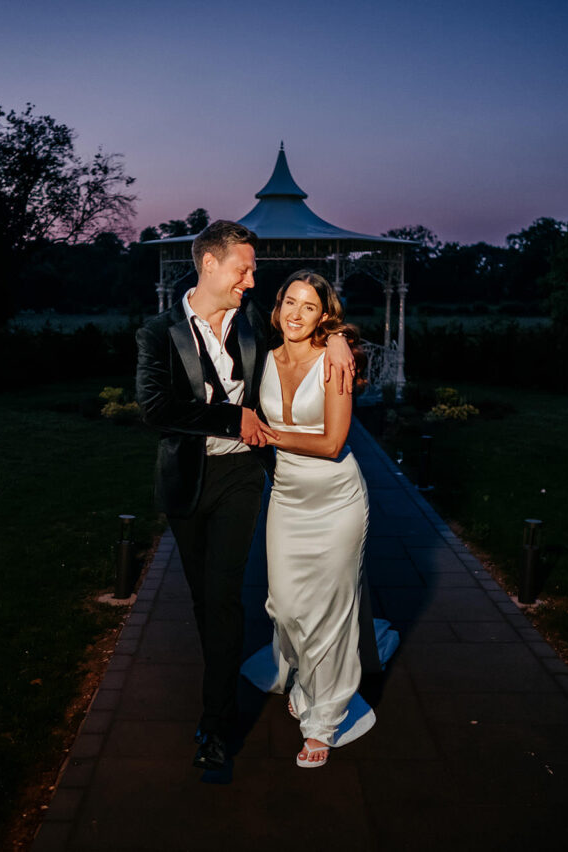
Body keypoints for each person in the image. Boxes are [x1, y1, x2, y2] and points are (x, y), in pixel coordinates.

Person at [135, 221, 355, 772]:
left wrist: (339, 340)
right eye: (244, 269)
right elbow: (156, 409)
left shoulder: (254, 320)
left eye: (253, 270)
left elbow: (303, 324)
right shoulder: (157, 333)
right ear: (209, 265)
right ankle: (224, 678)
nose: (252, 280)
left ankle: (216, 728)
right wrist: (234, 416)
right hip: (186, 482)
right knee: (204, 603)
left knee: (225, 597)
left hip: (241, 478)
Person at [240, 270, 399, 768]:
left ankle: (323, 720)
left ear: (323, 316)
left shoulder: (335, 363)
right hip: (286, 498)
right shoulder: (261, 360)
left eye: (309, 307)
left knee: (328, 614)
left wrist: (265, 434)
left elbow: (332, 443)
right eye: (290, 301)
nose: (295, 313)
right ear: (277, 306)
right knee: (284, 607)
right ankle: (307, 676)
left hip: (336, 502)